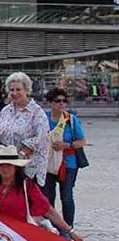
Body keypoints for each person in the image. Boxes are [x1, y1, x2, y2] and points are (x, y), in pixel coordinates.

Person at [0, 145, 82, 241]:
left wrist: (70, 232)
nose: (5, 169)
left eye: (9, 165)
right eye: (1, 165)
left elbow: (48, 211)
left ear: (16, 167)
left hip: (20, 238)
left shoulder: (27, 186)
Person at [0, 72, 50, 187]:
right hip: (6, 167)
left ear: (27, 90)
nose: (15, 93)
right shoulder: (5, 111)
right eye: (12, 90)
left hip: (28, 169)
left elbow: (41, 138)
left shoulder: (37, 112)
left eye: (18, 89)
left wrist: (19, 157)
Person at [43, 88, 86, 226]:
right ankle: (51, 227)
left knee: (67, 198)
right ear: (50, 103)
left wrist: (66, 145)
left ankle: (68, 227)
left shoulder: (71, 120)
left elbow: (82, 141)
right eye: (57, 101)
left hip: (68, 164)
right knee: (48, 198)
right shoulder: (43, 118)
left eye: (64, 101)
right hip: (48, 163)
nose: (61, 104)